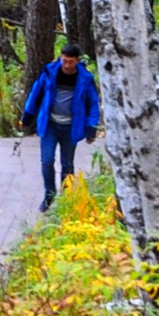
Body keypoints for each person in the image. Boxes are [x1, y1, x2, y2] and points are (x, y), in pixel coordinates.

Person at [21, 44, 103, 211]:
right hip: (50, 125)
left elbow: (93, 104)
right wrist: (27, 116)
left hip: (71, 128)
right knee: (47, 161)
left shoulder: (85, 78)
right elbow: (36, 93)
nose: (66, 65)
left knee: (67, 164)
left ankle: (66, 197)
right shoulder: (49, 72)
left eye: (70, 62)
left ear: (77, 61)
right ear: (60, 58)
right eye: (64, 60)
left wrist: (91, 128)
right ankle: (49, 195)